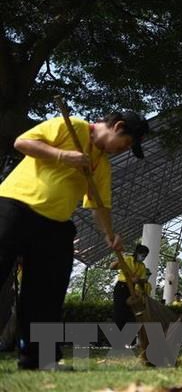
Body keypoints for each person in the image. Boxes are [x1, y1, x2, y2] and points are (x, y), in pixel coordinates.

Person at [0, 111, 149, 369]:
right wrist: (62, 155)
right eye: (124, 144)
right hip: (14, 207)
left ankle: (40, 359)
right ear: (118, 126)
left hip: (55, 225)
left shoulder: (101, 165)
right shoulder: (72, 127)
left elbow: (99, 205)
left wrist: (109, 235)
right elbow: (22, 143)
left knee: (47, 294)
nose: (121, 151)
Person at [110, 244, 150, 332]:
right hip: (121, 287)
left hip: (131, 290)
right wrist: (119, 260)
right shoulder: (127, 259)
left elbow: (142, 281)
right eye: (142, 255)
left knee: (131, 314)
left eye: (145, 256)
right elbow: (112, 267)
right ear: (137, 253)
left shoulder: (142, 266)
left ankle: (128, 340)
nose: (143, 257)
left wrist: (138, 281)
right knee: (119, 312)